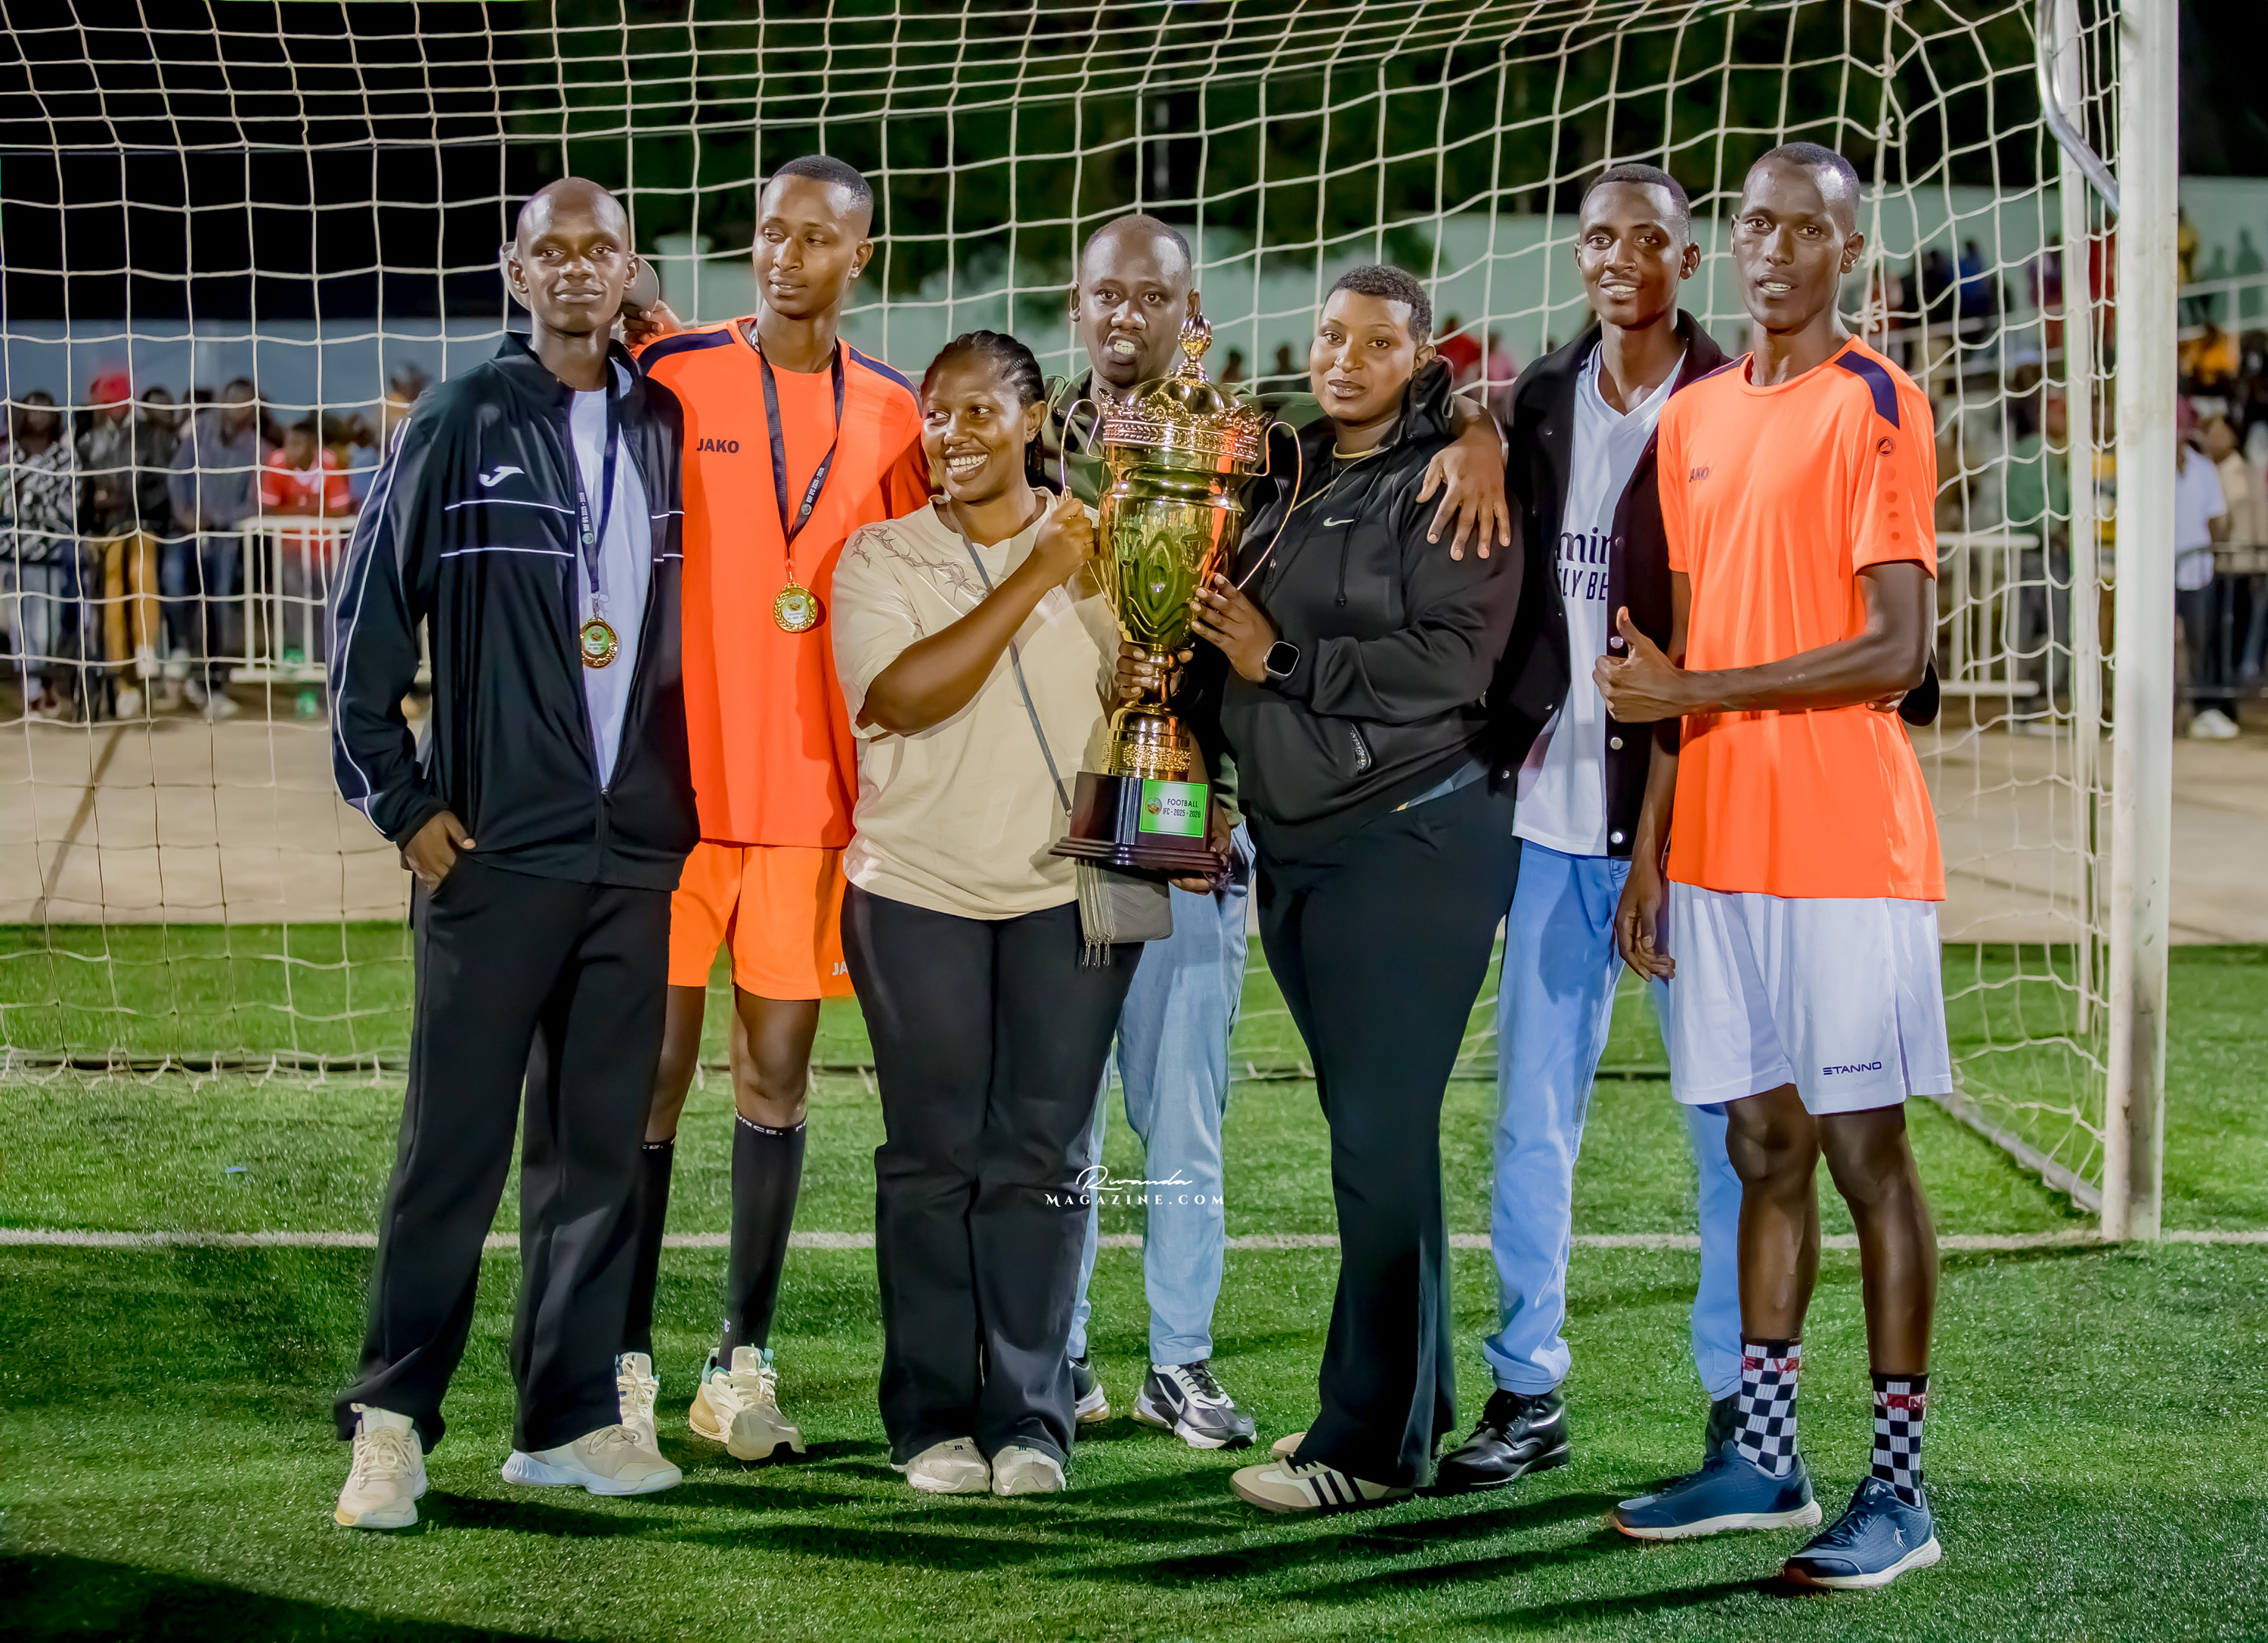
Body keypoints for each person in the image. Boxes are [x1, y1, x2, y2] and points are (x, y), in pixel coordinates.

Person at [1041, 212, 1511, 1449]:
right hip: (1045, 812)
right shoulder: (1030, 437)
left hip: (1183, 793)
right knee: (1062, 1102)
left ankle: (1178, 1359)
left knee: (1180, 1095)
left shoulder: (1253, 451)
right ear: (1077, 305)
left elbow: (1404, 426)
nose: (1128, 315)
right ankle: (1058, 1352)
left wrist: (1478, 427)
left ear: (1191, 315)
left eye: (1154, 296)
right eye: (1107, 294)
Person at [1596, 143, 1947, 1591]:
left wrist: (1699, 694)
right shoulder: (1692, 420)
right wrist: (1654, 846)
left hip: (1847, 842)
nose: (1776, 248)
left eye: (1809, 229)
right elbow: (1683, 651)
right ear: (1730, 243)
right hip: (1722, 844)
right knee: (1763, 1146)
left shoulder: (1879, 401)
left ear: (1849, 252)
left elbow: (1898, 649)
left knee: (1866, 1153)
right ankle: (1762, 1457)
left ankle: (1902, 1491)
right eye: (1757, 224)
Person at [325, 178, 694, 1530]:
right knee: (454, 1148)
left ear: (632, 270)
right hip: (492, 851)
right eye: (554, 250)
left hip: (632, 852)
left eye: (603, 250)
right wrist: (400, 798)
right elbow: (366, 621)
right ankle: (391, 1422)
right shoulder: (459, 416)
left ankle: (566, 1418)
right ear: (516, 270)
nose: (578, 268)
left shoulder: (664, 424)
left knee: (597, 1151)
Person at [1166, 265, 1520, 1513]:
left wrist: (1285, 659)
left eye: (1377, 342)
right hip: (1299, 843)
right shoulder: (1291, 473)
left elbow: (1454, 663)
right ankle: (1407, 1412)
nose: (1345, 358)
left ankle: (1364, 1446)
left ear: (1422, 359)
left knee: (1376, 1137)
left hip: (1410, 840)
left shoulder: (1451, 479)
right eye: (1329, 335)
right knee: (1378, 1138)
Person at [1430, 164, 1746, 1496]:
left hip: (1691, 833)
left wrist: (1660, 853)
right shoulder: (1545, 396)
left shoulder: (1733, 404)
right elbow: (1452, 414)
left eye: (1646, 239)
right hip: (1551, 828)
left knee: (1725, 1133)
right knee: (1529, 1127)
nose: (1618, 257)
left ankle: (1741, 1398)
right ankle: (1528, 1387)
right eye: (1597, 238)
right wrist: (1474, 420)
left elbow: (1713, 639)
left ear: (1687, 259)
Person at [618, 154, 930, 1461]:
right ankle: (620, 1360)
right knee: (649, 1077)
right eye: (768, 233)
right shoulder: (677, 371)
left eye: (815, 238)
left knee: (776, 1077)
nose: (785, 256)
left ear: (861, 256)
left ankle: (738, 1360)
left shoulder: (898, 413)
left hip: (810, 805)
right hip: (675, 800)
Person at [831, 329, 1125, 1498]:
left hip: (1070, 897)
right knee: (934, 1158)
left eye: (976, 412)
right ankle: (932, 1418)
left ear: (1033, 417)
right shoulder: (881, 554)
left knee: (1044, 1158)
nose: (948, 434)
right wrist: (1037, 577)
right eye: (935, 413)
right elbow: (904, 694)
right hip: (918, 894)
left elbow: (1152, 697)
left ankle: (1032, 1420)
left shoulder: (1104, 547)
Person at [166, 377, 261, 720]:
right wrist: (185, 513)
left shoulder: (256, 447)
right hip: (185, 531)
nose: (238, 407)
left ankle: (215, 686)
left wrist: (216, 518)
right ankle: (180, 656)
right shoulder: (201, 429)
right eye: (234, 399)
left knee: (217, 608)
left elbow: (255, 502)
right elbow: (176, 474)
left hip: (225, 539)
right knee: (175, 587)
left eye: (245, 402)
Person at [77, 371, 167, 718]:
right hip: (106, 531)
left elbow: (160, 485)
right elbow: (83, 492)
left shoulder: (151, 436)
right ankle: (121, 680)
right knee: (112, 589)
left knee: (140, 571)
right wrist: (91, 519)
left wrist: (125, 499)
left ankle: (146, 649)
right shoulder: (89, 441)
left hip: (142, 524)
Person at [258, 417, 356, 672]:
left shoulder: (330, 463)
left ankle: (326, 655)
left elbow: (340, 509)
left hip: (326, 549)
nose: (289, 450)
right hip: (289, 547)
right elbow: (267, 510)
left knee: (327, 601)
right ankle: (296, 651)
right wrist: (309, 509)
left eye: (297, 443)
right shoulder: (277, 463)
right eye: (288, 443)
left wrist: (292, 510)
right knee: (293, 597)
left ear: (313, 446)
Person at [8, 391, 79, 719]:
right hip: (11, 555)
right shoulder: (8, 455)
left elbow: (70, 507)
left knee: (45, 630)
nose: (37, 416)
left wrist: (33, 502)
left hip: (50, 556)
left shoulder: (66, 459)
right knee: (18, 627)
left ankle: (46, 680)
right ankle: (32, 693)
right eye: (31, 410)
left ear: (54, 417)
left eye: (44, 410)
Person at [2174, 432, 2232, 737]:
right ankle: (2168, 712)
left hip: (2197, 570)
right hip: (2158, 573)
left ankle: (2206, 710)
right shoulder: (2148, 469)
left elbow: (2217, 517)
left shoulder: (2204, 469)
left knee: (2202, 644)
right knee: (2161, 645)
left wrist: (2211, 550)